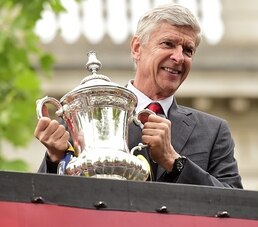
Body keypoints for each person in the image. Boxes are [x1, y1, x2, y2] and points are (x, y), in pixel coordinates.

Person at [34, 3, 243, 189]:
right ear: (136, 48)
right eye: (168, 44)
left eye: (188, 50)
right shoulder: (86, 115)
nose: (179, 57)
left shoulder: (213, 131)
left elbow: (236, 206)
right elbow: (43, 202)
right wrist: (55, 158)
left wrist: (174, 161)